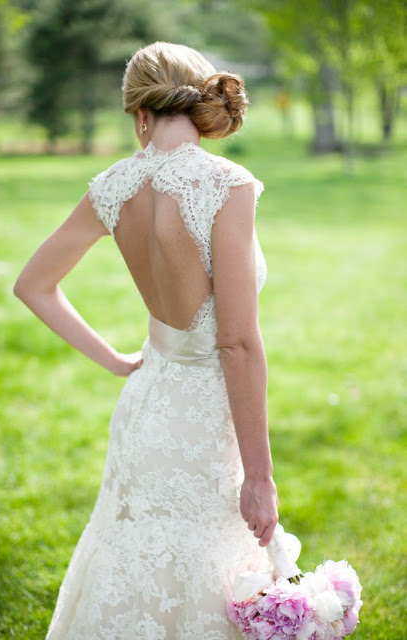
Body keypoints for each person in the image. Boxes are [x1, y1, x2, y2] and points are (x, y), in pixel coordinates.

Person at [14, 41, 279, 640]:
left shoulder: (113, 185)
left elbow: (33, 285)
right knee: (206, 572)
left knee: (135, 566)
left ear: (140, 114)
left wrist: (114, 361)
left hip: (146, 407)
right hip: (205, 420)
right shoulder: (226, 184)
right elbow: (236, 345)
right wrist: (259, 478)